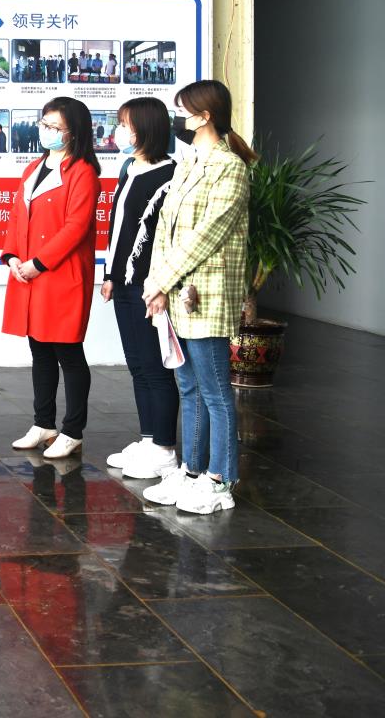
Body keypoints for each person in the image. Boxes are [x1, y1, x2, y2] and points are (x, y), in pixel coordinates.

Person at [142, 80, 254, 514]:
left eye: (183, 112)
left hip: (206, 294)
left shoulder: (230, 167)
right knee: (188, 387)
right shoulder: (189, 163)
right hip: (176, 291)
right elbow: (165, 230)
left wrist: (161, 281)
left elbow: (206, 235)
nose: (178, 119)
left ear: (205, 116)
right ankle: (191, 471)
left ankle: (220, 480)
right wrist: (157, 283)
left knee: (215, 391)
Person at [1, 97, 100, 459]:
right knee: (39, 349)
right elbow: (17, 217)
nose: (47, 131)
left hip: (60, 274)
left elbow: (76, 227)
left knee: (68, 351)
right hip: (29, 273)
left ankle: (73, 430)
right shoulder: (34, 167)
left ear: (74, 132)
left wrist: (39, 263)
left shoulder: (83, 172)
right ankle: (43, 423)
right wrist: (13, 256)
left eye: (55, 127)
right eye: (44, 124)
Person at [98, 98, 179, 480]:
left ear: (145, 128)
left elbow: (167, 237)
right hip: (124, 284)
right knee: (137, 365)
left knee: (155, 367)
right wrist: (110, 274)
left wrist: (159, 285)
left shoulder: (170, 174)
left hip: (149, 287)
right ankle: (148, 439)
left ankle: (165, 448)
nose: (119, 131)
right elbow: (120, 229)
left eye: (125, 124)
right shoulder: (130, 168)